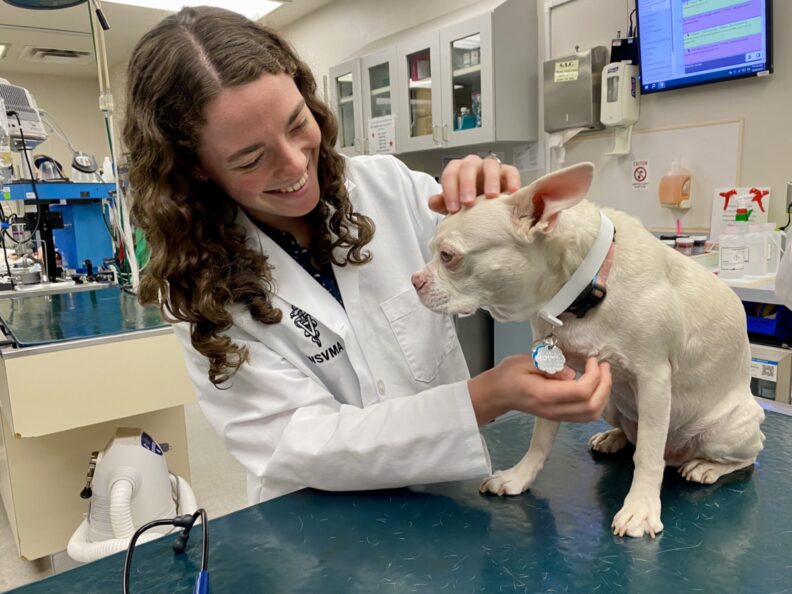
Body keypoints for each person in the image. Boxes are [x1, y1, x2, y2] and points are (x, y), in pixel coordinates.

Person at [124, 6, 612, 504]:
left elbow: (510, 275)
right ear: (196, 168)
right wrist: (485, 398)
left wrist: (498, 202)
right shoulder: (199, 292)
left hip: (446, 502)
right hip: (317, 526)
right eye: (251, 157)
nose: (294, 164)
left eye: (298, 124)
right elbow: (302, 443)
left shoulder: (392, 187)